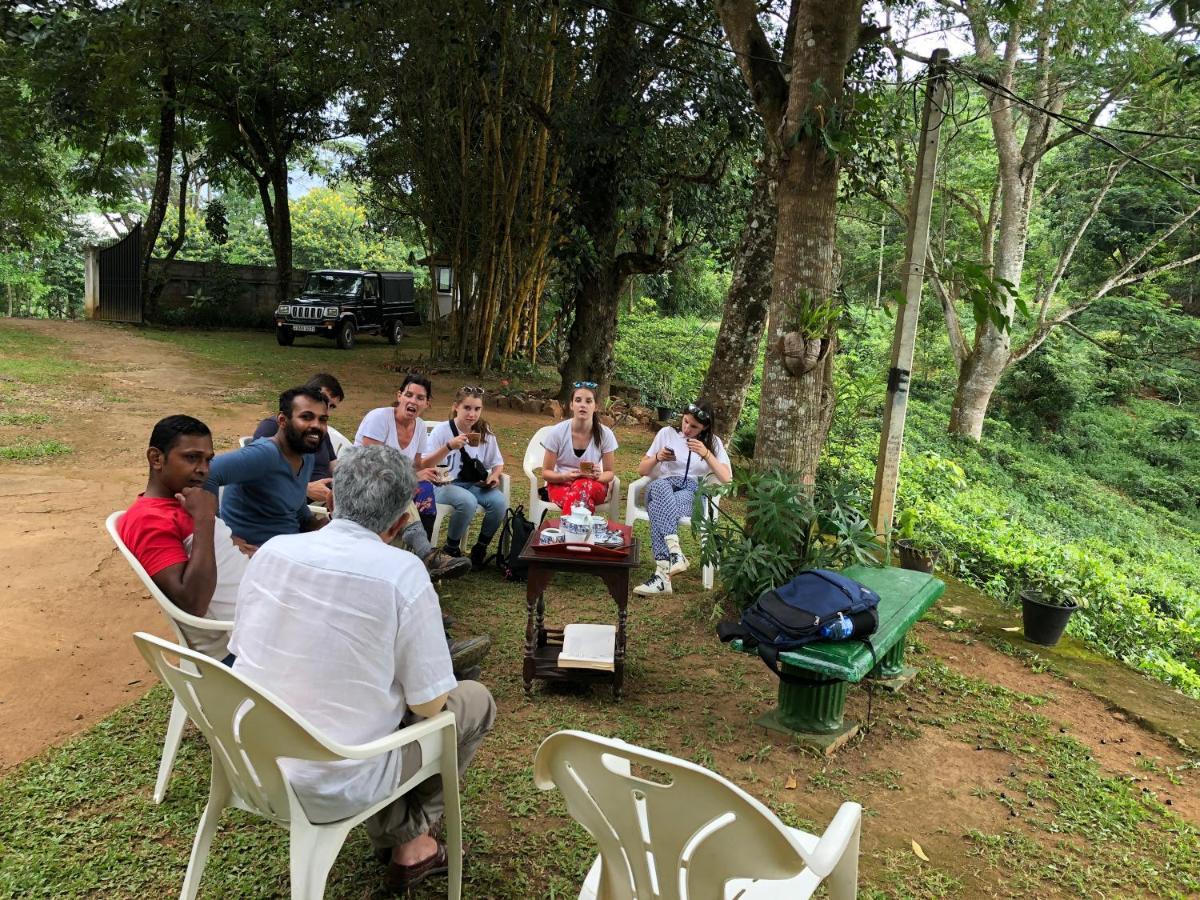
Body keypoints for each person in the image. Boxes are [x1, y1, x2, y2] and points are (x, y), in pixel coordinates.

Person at [228, 445, 497, 892]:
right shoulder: (402, 573)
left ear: (332, 502)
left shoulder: (272, 552)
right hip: (338, 779)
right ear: (398, 523)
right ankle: (411, 839)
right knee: (472, 702)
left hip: (251, 761)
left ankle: (403, 834)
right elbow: (429, 706)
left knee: (370, 701)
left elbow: (245, 649)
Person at [118, 415, 249, 662]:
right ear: (156, 458)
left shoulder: (186, 500)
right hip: (237, 645)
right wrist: (204, 520)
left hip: (260, 615)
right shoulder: (148, 519)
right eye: (191, 457)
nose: (203, 469)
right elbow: (193, 602)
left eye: (208, 460)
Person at [355, 374, 470, 581]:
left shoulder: (420, 427)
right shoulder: (379, 418)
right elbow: (371, 464)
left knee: (423, 490)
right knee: (403, 488)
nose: (413, 401)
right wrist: (413, 476)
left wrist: (448, 447)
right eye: (409, 395)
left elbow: (418, 465)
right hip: (361, 481)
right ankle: (426, 557)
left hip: (393, 486)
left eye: (419, 398)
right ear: (399, 396)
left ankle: (415, 563)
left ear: (427, 403)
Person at [204, 386, 328, 549]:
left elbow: (293, 505)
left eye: (323, 419)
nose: (316, 425)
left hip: (289, 547)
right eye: (306, 417)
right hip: (257, 557)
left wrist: (316, 524)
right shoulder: (263, 455)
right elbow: (207, 473)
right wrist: (223, 537)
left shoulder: (306, 454)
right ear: (283, 421)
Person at [633, 400, 732, 596]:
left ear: (705, 428)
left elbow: (726, 478)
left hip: (693, 491)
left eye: (694, 426)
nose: (687, 428)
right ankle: (675, 552)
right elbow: (642, 470)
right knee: (660, 486)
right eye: (686, 421)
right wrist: (658, 458)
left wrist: (706, 454)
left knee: (657, 508)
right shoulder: (666, 434)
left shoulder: (714, 443)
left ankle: (662, 577)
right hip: (663, 485)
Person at [427, 386, 507, 568]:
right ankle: (451, 549)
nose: (472, 414)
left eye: (477, 409)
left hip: (474, 483)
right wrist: (449, 446)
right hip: (443, 484)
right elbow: (426, 462)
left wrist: (494, 475)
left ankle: (480, 548)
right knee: (468, 501)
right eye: (467, 408)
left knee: (499, 502)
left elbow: (497, 461)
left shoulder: (484, 431)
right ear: (456, 407)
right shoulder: (442, 431)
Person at [252, 373, 344, 507]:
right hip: (291, 503)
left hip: (329, 501)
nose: (327, 411)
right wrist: (305, 489)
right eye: (325, 402)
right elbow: (258, 476)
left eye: (332, 407)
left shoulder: (320, 430)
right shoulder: (272, 426)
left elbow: (334, 464)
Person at [539, 381, 618, 513]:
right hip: (561, 484)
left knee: (581, 486)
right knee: (580, 498)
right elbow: (546, 472)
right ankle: (583, 532)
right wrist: (566, 476)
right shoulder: (557, 432)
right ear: (571, 405)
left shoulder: (605, 434)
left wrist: (597, 477)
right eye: (578, 400)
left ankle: (567, 532)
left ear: (596, 406)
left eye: (588, 401)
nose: (583, 405)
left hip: (593, 484)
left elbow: (609, 473)